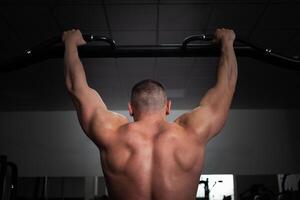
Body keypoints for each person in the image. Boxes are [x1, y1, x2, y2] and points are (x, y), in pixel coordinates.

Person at [62, 28, 238, 200]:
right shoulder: (192, 133)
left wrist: (71, 43)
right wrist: (227, 43)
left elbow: (76, 87)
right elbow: (227, 85)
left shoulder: (110, 133)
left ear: (131, 108)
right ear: (168, 106)